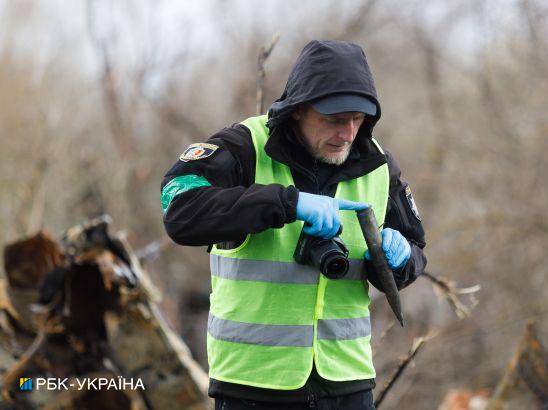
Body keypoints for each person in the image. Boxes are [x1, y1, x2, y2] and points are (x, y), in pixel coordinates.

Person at [161, 40, 427, 410]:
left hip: (348, 384)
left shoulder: (379, 165)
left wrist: (400, 260)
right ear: (299, 109)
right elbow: (179, 209)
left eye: (357, 119)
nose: (348, 133)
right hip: (251, 385)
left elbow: (416, 252)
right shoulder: (244, 147)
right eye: (334, 120)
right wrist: (286, 203)